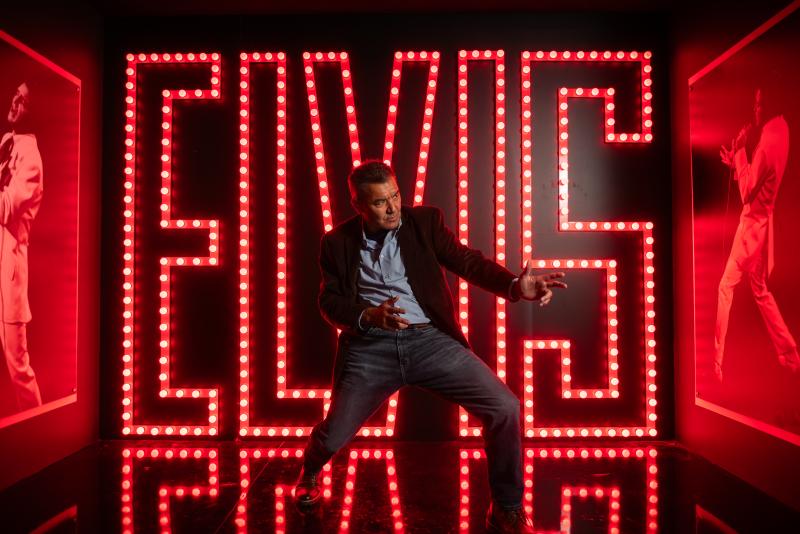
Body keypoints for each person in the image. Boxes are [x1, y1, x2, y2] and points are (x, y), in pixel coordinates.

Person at [293, 161, 566, 533]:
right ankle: (310, 470)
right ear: (358, 205)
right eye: (379, 203)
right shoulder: (336, 243)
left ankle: (506, 507)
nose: (392, 209)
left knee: (504, 406)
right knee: (335, 432)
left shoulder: (424, 223)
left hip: (428, 341)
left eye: (395, 197)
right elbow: (330, 302)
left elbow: (468, 261)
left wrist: (516, 287)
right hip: (370, 347)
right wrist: (368, 315)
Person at [716, 87, 798, 382]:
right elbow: (758, 181)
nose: (755, 110)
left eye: (760, 104)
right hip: (765, 225)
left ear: (771, 106)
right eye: (755, 103)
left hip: (752, 227)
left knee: (725, 286)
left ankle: (716, 362)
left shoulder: (766, 143)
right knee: (760, 290)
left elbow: (748, 193)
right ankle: (789, 353)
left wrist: (739, 151)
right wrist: (738, 165)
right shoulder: (783, 129)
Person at [0, 82, 43, 411]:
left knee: (19, 371)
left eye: (23, 100)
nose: (14, 102)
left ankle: (36, 429)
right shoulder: (6, 143)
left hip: (8, 277)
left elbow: (5, 209)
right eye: (15, 95)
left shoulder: (32, 159)